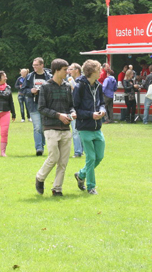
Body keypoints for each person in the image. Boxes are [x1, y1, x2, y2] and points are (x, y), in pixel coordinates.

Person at [35, 59, 76, 196]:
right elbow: (41, 108)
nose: (68, 72)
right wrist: (58, 115)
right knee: (54, 157)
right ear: (57, 70)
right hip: (51, 127)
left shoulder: (66, 86)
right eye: (65, 69)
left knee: (63, 161)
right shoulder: (45, 87)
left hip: (65, 128)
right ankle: (40, 178)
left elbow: (71, 105)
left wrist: (72, 112)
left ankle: (57, 189)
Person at [72, 59, 106, 196]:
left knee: (99, 156)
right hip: (84, 127)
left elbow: (102, 103)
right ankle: (91, 186)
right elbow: (75, 109)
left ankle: (81, 175)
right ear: (92, 72)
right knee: (91, 158)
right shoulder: (79, 87)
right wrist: (90, 115)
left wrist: (102, 110)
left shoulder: (99, 86)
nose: (101, 72)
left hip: (97, 128)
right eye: (99, 70)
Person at [21, 58, 52, 156]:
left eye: (36, 65)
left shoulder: (49, 76)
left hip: (46, 105)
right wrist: (31, 91)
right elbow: (23, 90)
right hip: (34, 105)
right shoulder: (30, 77)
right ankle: (39, 148)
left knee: (44, 127)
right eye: (33, 65)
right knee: (37, 127)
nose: (34, 67)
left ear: (42, 65)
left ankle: (42, 144)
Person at [68, 63, 84, 157]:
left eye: (71, 69)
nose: (69, 71)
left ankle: (80, 151)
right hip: (71, 108)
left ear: (76, 70)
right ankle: (78, 151)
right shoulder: (68, 80)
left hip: (81, 108)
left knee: (80, 130)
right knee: (75, 130)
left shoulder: (83, 81)